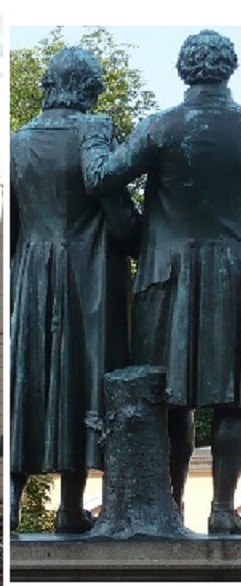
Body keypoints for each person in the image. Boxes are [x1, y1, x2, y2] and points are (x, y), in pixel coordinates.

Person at [82, 30, 241, 534]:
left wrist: (96, 135)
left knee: (168, 401)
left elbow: (101, 178)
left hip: (167, 276)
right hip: (234, 276)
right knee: (233, 401)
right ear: (229, 69)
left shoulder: (161, 126)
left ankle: (173, 508)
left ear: (185, 70)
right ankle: (225, 510)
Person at [9, 47, 140, 533]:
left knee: (30, 378)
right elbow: (116, 207)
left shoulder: (15, 142)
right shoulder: (95, 128)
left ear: (48, 84)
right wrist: (142, 238)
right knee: (86, 377)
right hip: (91, 275)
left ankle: (12, 503)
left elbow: (11, 227)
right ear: (88, 88)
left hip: (32, 275)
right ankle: (69, 506)